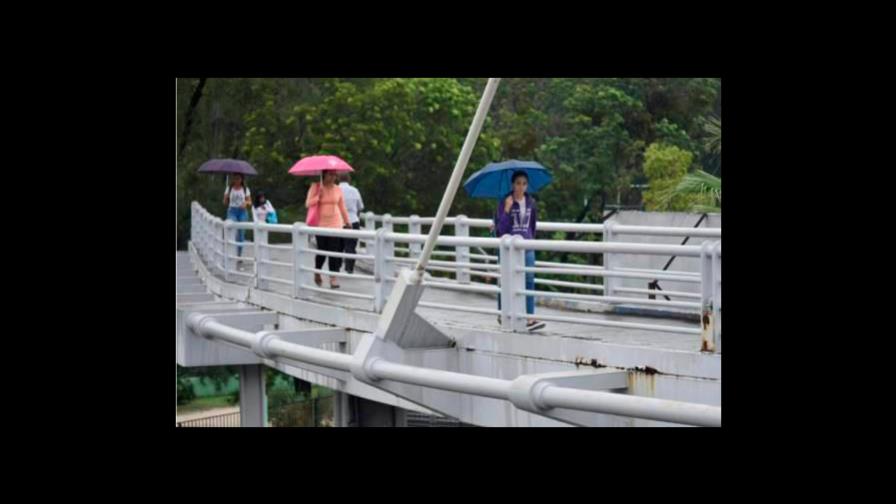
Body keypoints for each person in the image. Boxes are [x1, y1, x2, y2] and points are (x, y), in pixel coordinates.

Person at [495, 171, 545, 331]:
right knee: (506, 280)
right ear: (512, 184)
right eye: (518, 183)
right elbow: (501, 229)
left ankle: (529, 317)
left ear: (527, 185)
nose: (521, 187)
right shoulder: (505, 202)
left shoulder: (531, 202)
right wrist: (507, 209)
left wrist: (530, 239)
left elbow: (533, 226)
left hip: (527, 245)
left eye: (524, 183)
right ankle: (502, 313)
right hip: (510, 247)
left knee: (529, 279)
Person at [305, 170, 352, 288]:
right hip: (320, 224)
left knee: (334, 251)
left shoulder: (337, 189)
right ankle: (317, 271)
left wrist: (347, 221)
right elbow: (308, 203)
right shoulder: (316, 187)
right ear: (324, 175)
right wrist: (318, 197)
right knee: (322, 250)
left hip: (336, 223)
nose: (332, 177)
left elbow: (342, 207)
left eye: (334, 175)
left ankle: (333, 277)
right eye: (330, 175)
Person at [338, 173, 365, 274]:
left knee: (338, 245)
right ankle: (349, 268)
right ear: (349, 180)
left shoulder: (335, 190)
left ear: (338, 179)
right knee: (351, 246)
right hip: (353, 221)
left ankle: (337, 265)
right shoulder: (354, 190)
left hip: (338, 222)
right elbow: (360, 207)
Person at [223, 173, 251, 262]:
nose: (237, 181)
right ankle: (229, 254)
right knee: (232, 229)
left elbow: (250, 201)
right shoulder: (229, 188)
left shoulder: (245, 189)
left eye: (239, 179)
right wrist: (226, 198)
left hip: (242, 212)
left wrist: (245, 203)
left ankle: (239, 255)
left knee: (241, 234)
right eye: (235, 178)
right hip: (232, 211)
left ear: (242, 179)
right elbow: (224, 202)